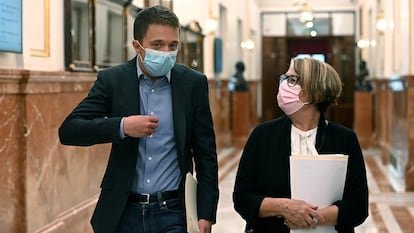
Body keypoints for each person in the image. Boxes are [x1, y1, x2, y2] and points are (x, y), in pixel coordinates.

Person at [59, 5, 219, 233]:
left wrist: (206, 213)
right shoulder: (113, 80)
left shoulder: (192, 83)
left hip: (174, 211)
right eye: (157, 45)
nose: (166, 52)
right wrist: (123, 126)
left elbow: (206, 153)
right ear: (137, 46)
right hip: (124, 212)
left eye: (172, 45)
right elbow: (70, 130)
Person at [233, 57, 368, 233]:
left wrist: (313, 218)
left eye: (292, 79)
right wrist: (283, 207)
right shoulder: (262, 136)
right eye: (285, 78)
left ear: (314, 91)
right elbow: (242, 198)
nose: (283, 85)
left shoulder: (344, 139)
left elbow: (358, 206)